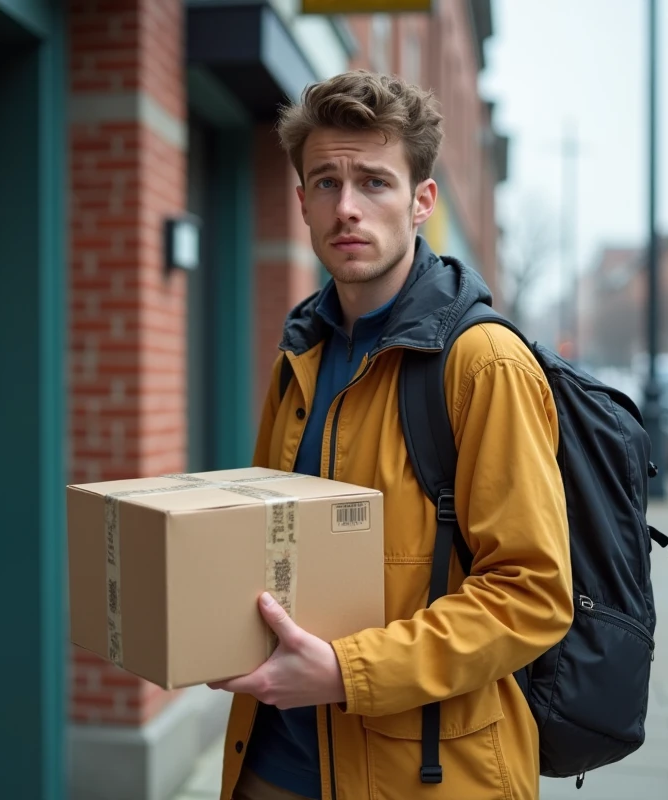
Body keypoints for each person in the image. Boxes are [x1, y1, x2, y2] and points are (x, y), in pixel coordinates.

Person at [206, 71, 573, 800]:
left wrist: (347, 672)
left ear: (421, 203)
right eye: (325, 182)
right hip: (273, 765)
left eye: (374, 182)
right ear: (303, 201)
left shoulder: (483, 364)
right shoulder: (299, 356)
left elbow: (533, 595)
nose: (347, 207)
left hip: (426, 776)